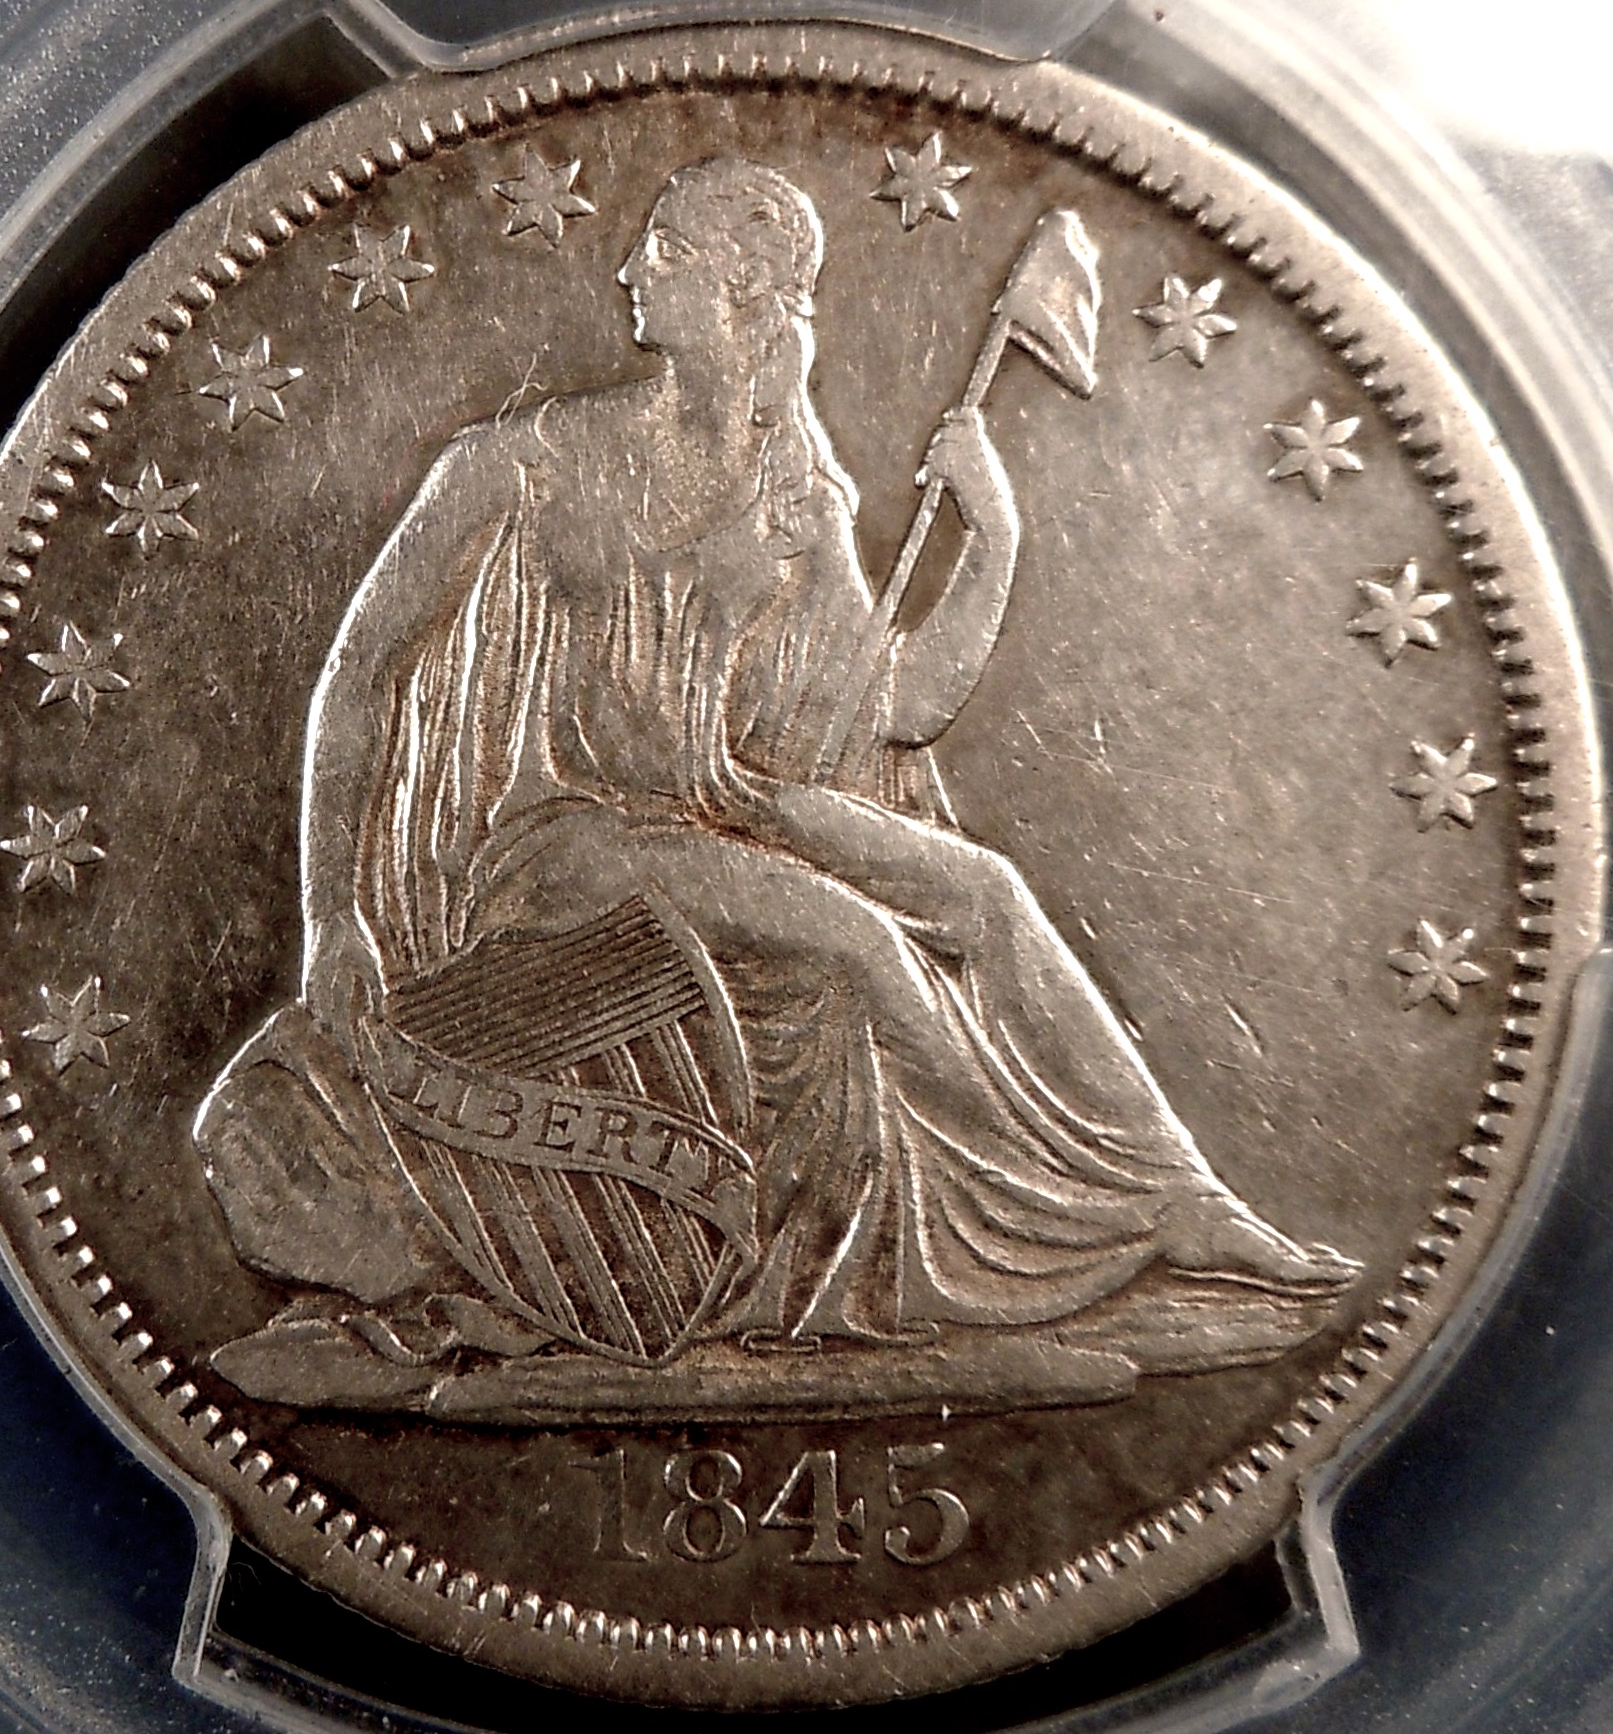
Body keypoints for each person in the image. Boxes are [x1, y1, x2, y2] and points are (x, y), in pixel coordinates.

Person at [203, 156, 1356, 1367]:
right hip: (569, 841)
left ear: (736, 286)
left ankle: (1178, 1200)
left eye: (661, 250)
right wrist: (331, 916)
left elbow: (898, 705)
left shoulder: (793, 481)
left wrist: (992, 536)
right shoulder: (524, 461)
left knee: (984, 891)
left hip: (725, 802)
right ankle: (1081, 1234)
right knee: (863, 946)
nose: (627, 270)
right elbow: (361, 672)